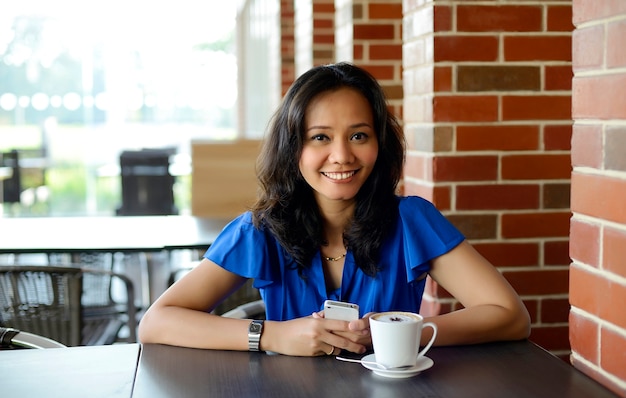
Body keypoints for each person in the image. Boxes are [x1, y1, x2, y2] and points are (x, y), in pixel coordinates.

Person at [138, 62, 530, 356]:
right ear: (294, 149)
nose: (341, 156)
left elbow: (510, 316)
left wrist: (401, 333)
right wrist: (272, 336)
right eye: (320, 137)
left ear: (380, 144)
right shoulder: (259, 231)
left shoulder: (412, 220)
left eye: (359, 135)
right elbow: (155, 322)